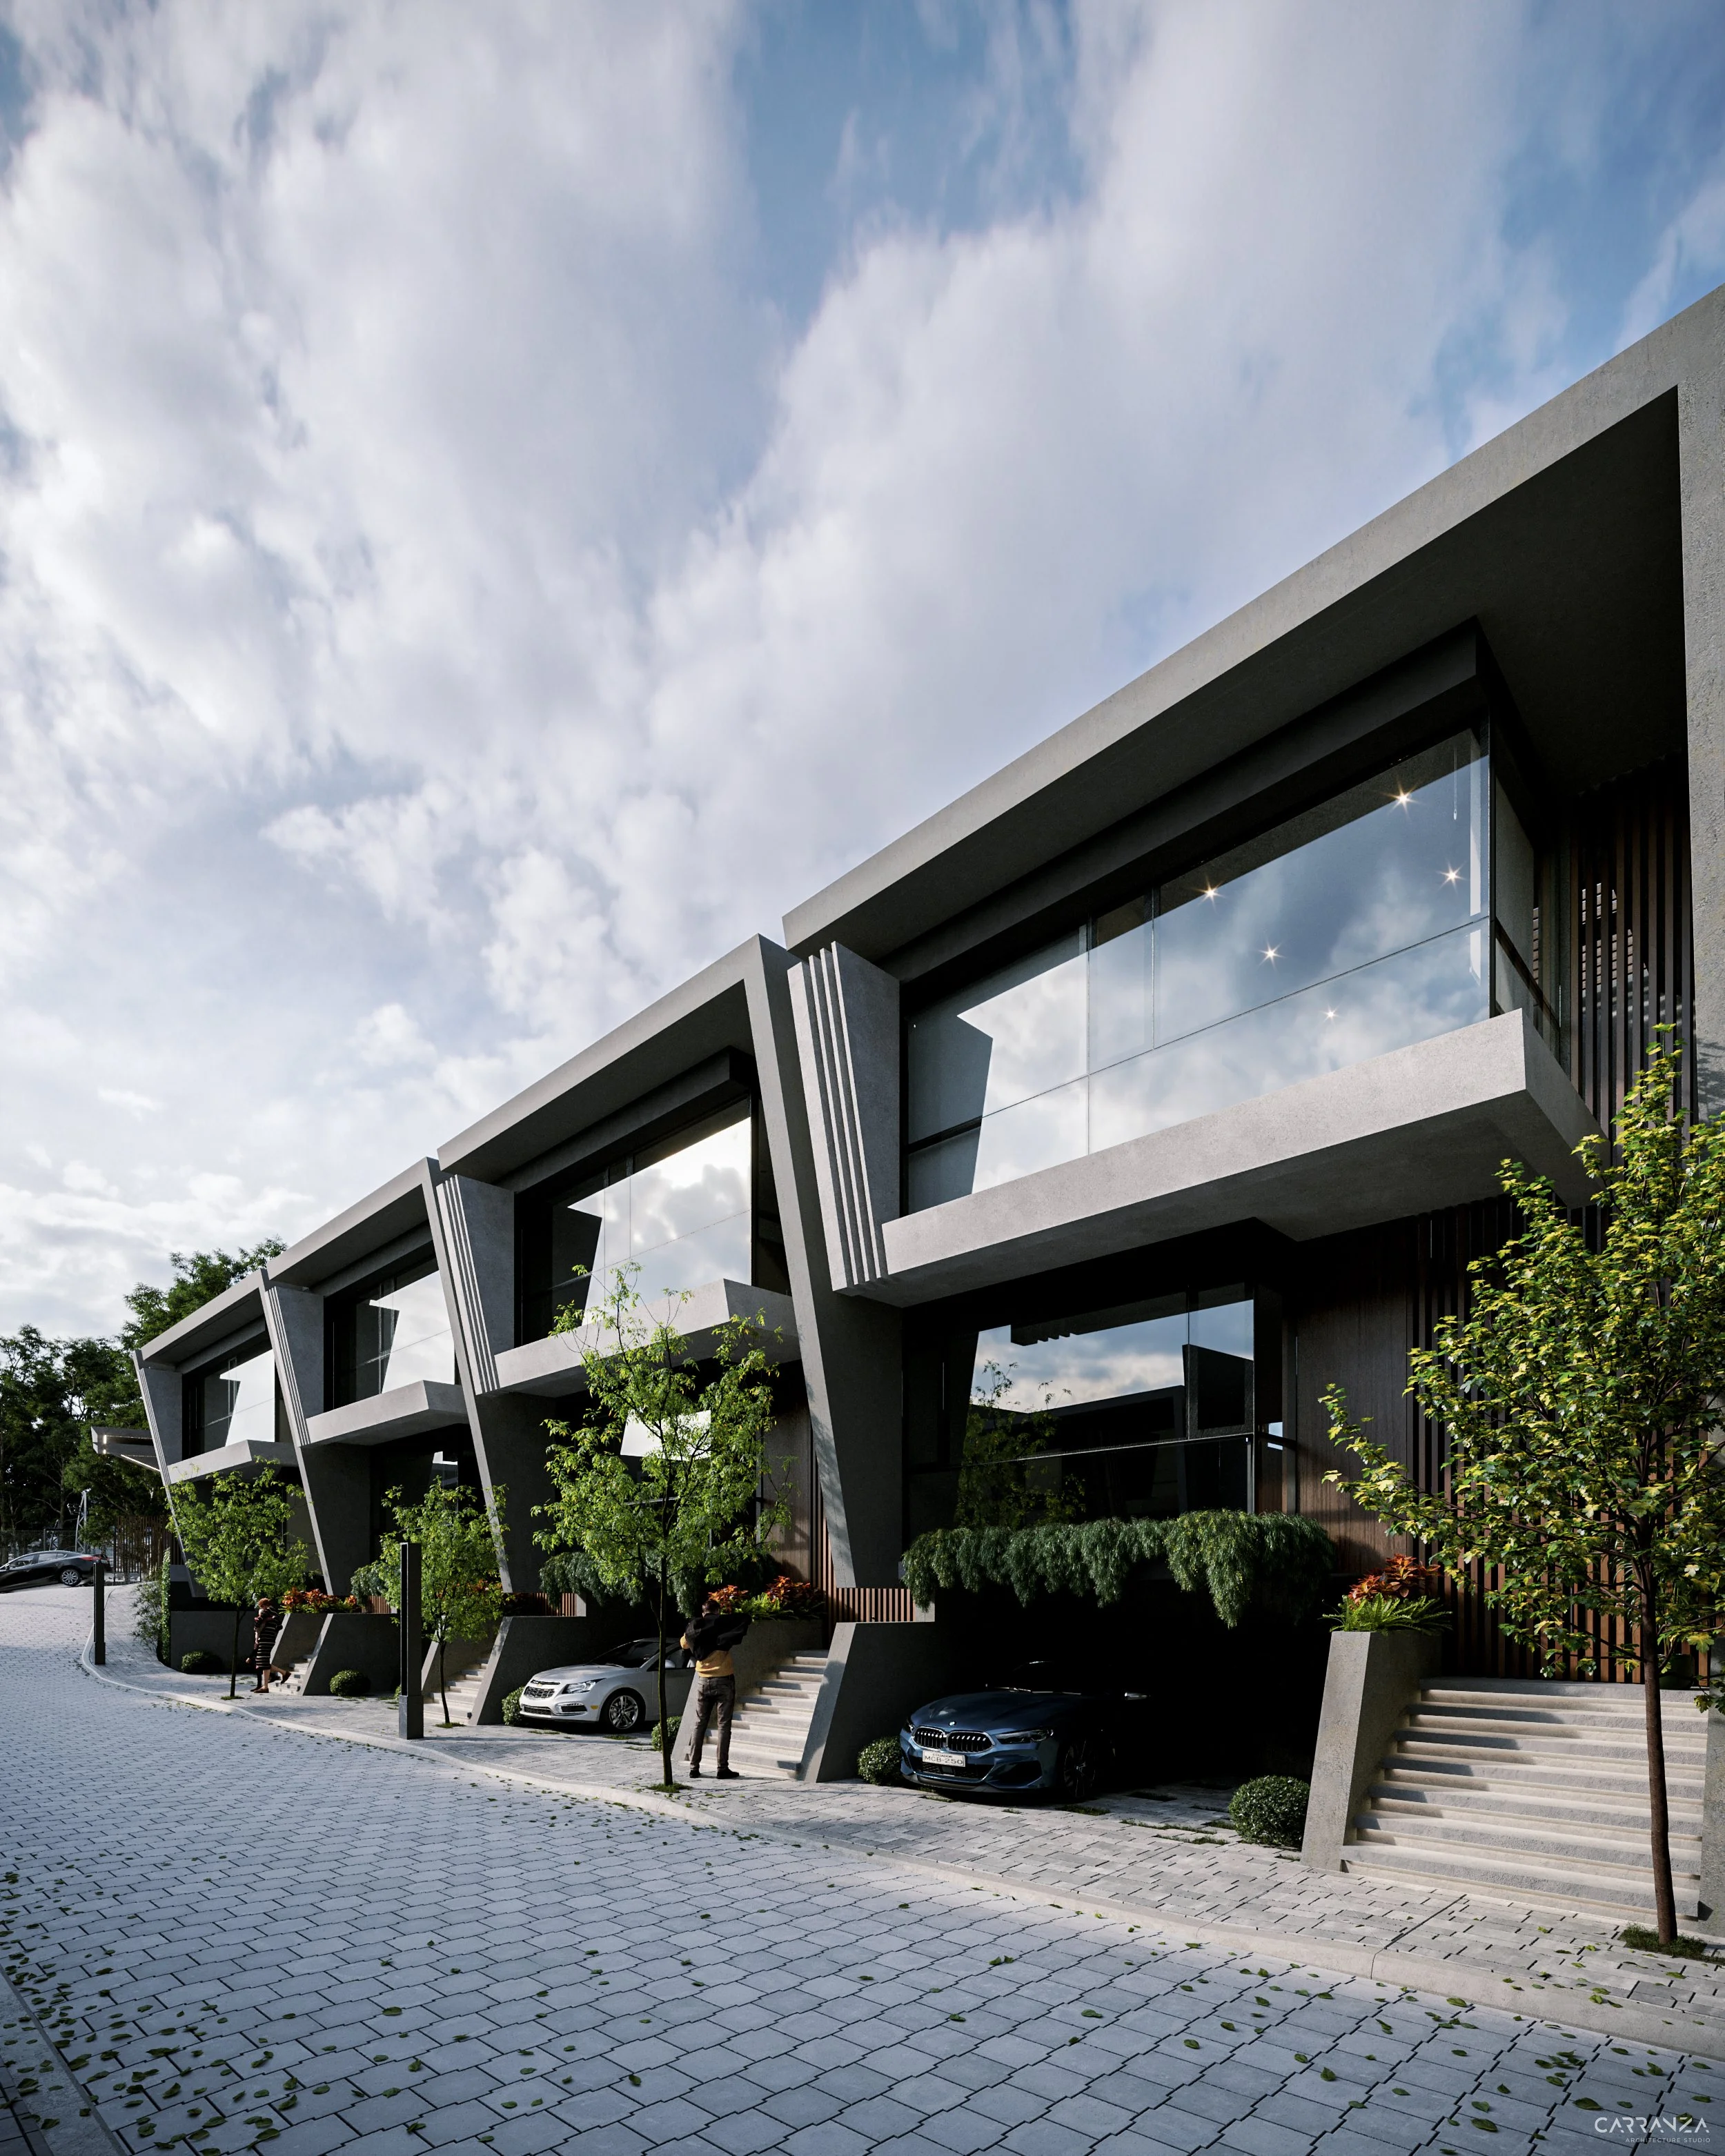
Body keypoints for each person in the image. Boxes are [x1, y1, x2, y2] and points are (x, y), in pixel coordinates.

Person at [680, 1595, 747, 1779]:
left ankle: (694, 1767)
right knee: (723, 1725)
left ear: (703, 1613)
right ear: (718, 1612)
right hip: (724, 1680)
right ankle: (722, 1768)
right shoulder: (723, 1624)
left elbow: (683, 1643)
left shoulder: (696, 1628)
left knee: (699, 1724)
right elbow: (739, 1625)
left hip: (703, 1681)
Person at [250, 1595, 284, 1694]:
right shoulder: (275, 1613)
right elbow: (280, 1627)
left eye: (261, 1607)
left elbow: (260, 1621)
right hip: (271, 1639)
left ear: (264, 1605)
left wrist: (256, 1628)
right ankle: (267, 1684)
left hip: (265, 1639)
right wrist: (272, 1630)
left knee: (261, 1661)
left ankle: (267, 1685)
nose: (261, 1609)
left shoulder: (267, 1611)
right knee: (263, 1660)